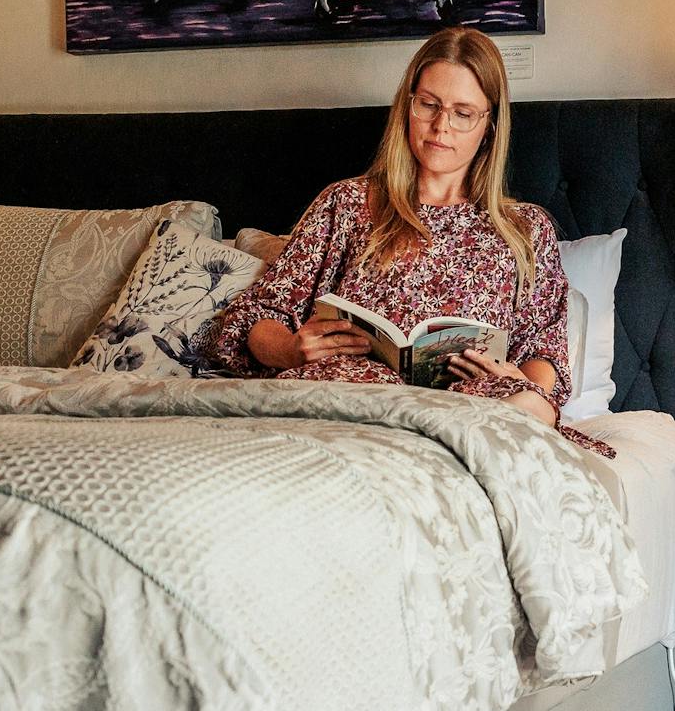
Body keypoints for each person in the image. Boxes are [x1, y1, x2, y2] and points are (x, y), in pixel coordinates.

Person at [206, 26, 612, 457]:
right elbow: (255, 318)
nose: (441, 126)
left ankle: (468, 442)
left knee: (531, 405)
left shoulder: (525, 229)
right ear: (408, 106)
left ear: (489, 125)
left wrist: (518, 380)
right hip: (349, 394)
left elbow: (544, 351)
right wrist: (288, 349)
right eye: (429, 105)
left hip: (474, 403)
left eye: (462, 112)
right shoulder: (346, 204)